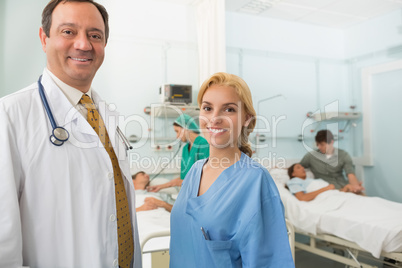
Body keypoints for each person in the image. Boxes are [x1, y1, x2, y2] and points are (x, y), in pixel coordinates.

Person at [0, 1, 141, 267]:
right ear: (44, 38)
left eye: (95, 35)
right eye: (68, 32)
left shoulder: (106, 115)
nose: (84, 44)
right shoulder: (9, 116)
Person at [169, 72, 295, 267]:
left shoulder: (255, 181)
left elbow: (269, 261)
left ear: (246, 118)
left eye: (228, 109)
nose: (215, 118)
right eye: (208, 108)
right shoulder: (195, 171)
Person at [147, 113, 209, 192]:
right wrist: (160, 187)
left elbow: (206, 177)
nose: (177, 136)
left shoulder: (204, 144)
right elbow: (183, 177)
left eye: (177, 131)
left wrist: (177, 183)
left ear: (185, 128)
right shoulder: (185, 148)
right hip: (189, 191)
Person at [286, 163, 359, 201]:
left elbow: (330, 192)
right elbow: (302, 198)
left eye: (302, 166)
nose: (302, 168)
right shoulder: (294, 181)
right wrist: (326, 188)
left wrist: (346, 188)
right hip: (325, 200)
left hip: (335, 195)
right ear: (293, 174)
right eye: (298, 167)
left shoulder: (311, 180)